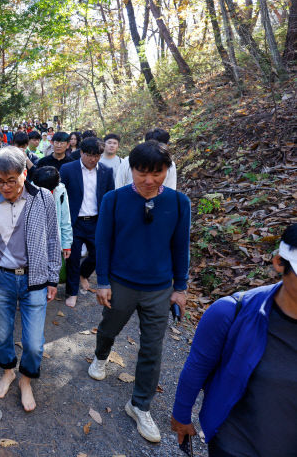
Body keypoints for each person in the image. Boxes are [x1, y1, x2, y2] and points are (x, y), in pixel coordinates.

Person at [87, 140, 190, 443]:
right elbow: (103, 243)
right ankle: (101, 355)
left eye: (156, 173)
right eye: (142, 172)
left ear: (166, 171)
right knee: (109, 328)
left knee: (152, 348)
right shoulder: (114, 200)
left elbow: (180, 247)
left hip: (159, 288)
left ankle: (140, 405)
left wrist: (180, 288)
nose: (149, 180)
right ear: (130, 169)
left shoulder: (179, 202)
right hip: (121, 282)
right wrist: (103, 282)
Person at [171, 224, 297, 456]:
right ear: (280, 263)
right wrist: (181, 415)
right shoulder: (231, 312)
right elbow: (197, 366)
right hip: (234, 446)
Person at [0, 147, 61, 412]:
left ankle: (26, 379)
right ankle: (8, 371)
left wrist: (52, 277)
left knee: (33, 344)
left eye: (11, 180)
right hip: (2, 279)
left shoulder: (43, 198)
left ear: (24, 173)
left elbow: (53, 238)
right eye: (0, 180)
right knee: (2, 334)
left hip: (34, 280)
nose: (5, 186)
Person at [59, 137, 115, 308]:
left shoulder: (106, 170)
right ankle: (72, 292)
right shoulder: (68, 169)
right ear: (81, 152)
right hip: (74, 221)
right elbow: (61, 195)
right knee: (73, 258)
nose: (93, 159)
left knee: (99, 255)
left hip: (96, 221)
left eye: (97, 155)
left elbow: (109, 196)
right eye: (90, 155)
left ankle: (84, 274)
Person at [33, 166, 72, 265]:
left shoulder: (61, 191)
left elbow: (65, 219)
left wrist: (66, 244)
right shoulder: (30, 191)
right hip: (35, 242)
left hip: (54, 241)